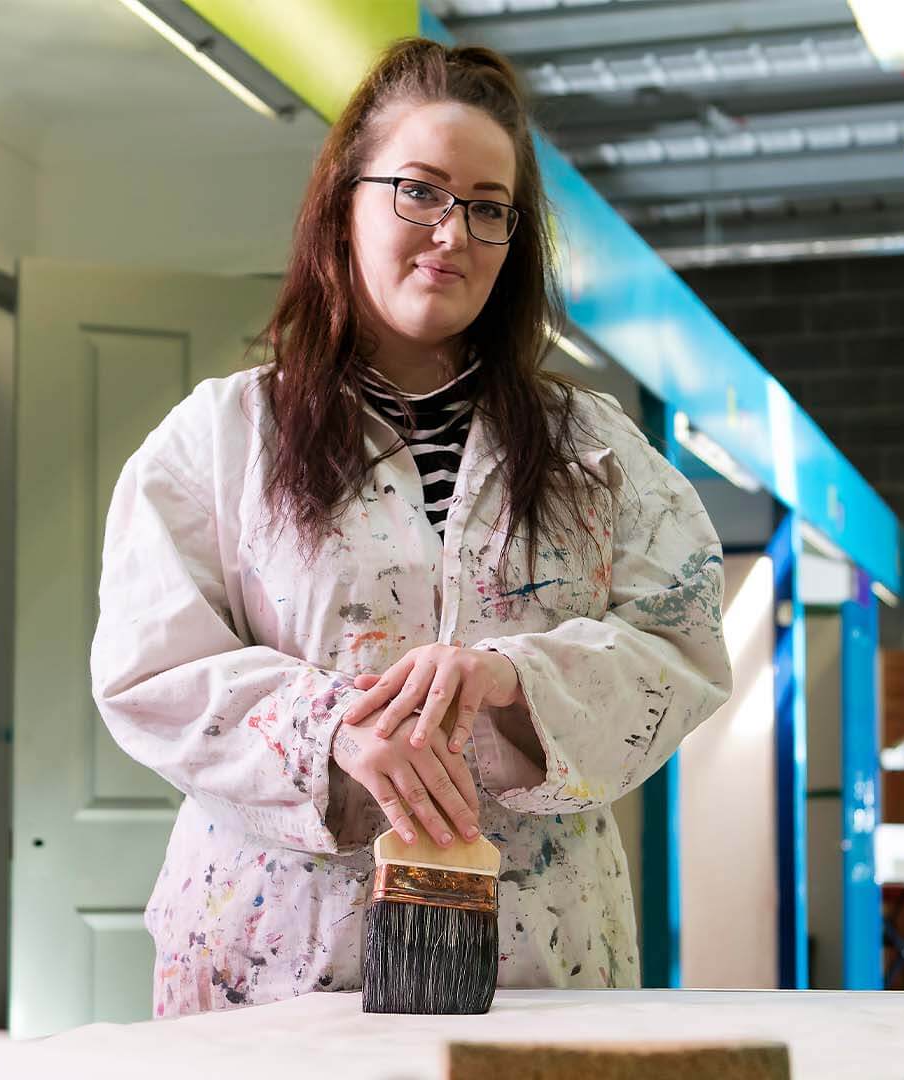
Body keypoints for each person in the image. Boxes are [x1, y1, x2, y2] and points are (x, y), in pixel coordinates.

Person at [89, 37, 731, 1019]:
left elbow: (680, 648)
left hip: (536, 963)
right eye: (420, 191)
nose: (453, 232)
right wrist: (330, 727)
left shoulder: (594, 452)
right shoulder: (221, 439)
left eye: (487, 207)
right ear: (345, 199)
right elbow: (149, 669)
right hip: (272, 958)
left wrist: (517, 680)